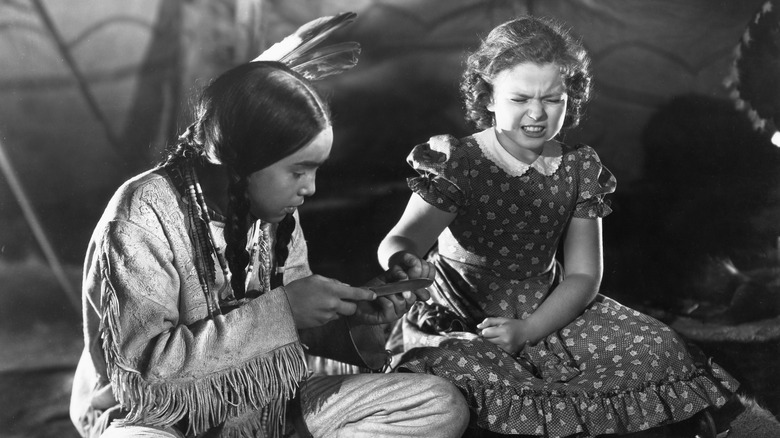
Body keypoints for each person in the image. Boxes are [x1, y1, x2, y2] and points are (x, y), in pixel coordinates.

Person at [378, 15, 739, 438]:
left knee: (660, 346)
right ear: (489, 97)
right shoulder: (459, 163)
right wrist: (402, 262)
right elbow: (402, 239)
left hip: (550, 311)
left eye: (552, 99)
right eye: (519, 99)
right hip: (466, 320)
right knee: (460, 380)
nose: (536, 113)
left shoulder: (578, 166)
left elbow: (585, 274)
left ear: (571, 96)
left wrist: (532, 328)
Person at [69, 59, 469, 438]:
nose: (310, 188)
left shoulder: (277, 214)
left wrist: (351, 316)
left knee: (437, 404)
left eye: (315, 170)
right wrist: (284, 311)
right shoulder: (141, 214)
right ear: (239, 163)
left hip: (268, 404)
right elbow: (146, 373)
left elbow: (293, 337)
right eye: (298, 171)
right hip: (158, 417)